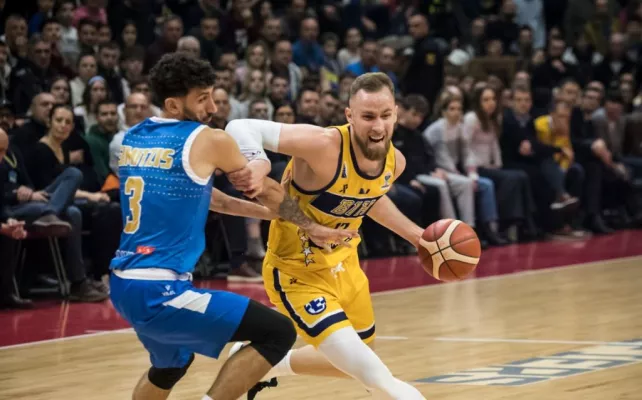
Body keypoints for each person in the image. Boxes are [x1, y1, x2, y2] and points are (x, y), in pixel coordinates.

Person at [108, 53, 355, 400]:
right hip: (159, 290)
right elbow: (263, 188)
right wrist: (311, 226)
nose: (212, 106)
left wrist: (275, 217)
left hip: (123, 284)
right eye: (202, 98)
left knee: (171, 366)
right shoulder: (207, 139)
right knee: (277, 333)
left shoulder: (134, 138)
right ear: (173, 104)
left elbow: (213, 200)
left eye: (212, 94)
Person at [225, 72, 427, 399]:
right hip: (296, 271)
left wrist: (417, 236)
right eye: (368, 117)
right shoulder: (323, 144)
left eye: (386, 116)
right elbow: (239, 127)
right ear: (349, 115)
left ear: (397, 114)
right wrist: (258, 162)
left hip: (345, 265)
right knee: (375, 375)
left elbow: (369, 198)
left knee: (360, 355)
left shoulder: (395, 161)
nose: (378, 127)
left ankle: (263, 361)